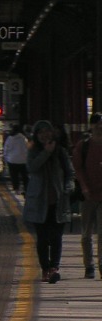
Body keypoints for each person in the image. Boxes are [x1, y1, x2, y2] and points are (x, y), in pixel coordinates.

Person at [25, 120, 76, 284]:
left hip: (58, 201)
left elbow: (70, 173)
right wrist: (46, 152)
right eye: (40, 133)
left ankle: (54, 268)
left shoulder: (60, 152)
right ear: (36, 135)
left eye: (47, 131)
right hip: (39, 203)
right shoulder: (33, 152)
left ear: (52, 133)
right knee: (42, 239)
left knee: (56, 237)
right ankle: (45, 268)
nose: (44, 135)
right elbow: (32, 168)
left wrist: (68, 187)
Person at [72, 113, 102, 278]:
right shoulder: (83, 146)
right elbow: (78, 168)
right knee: (86, 233)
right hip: (88, 195)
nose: (100, 126)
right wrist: (84, 187)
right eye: (96, 123)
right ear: (91, 126)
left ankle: (101, 264)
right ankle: (88, 265)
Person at [3, 124, 29, 194]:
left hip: (12, 160)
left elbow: (6, 149)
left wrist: (5, 158)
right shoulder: (24, 138)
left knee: (14, 176)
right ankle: (26, 189)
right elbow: (27, 149)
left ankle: (16, 189)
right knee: (24, 176)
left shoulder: (9, 139)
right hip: (23, 160)